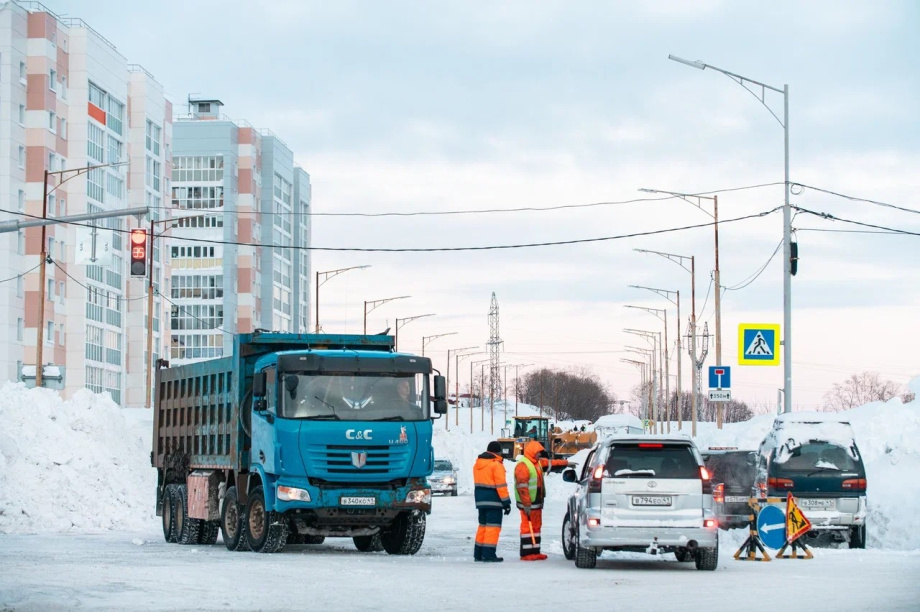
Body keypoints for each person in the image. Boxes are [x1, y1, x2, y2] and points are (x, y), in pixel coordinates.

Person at [514, 440, 570, 560]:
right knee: (527, 528)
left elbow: (551, 463)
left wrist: (566, 463)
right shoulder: (523, 465)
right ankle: (526, 553)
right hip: (528, 505)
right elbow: (522, 487)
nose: (539, 454)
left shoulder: (536, 463)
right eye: (538, 452)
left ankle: (535, 551)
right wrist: (526, 504)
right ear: (532, 452)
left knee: (536, 527)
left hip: (536, 504)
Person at [473, 441, 511, 562]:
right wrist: (506, 502)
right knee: (492, 528)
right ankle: (488, 554)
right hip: (494, 501)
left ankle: (478, 554)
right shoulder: (496, 465)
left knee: (482, 527)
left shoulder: (477, 464)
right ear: (497, 451)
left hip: (480, 501)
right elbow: (501, 486)